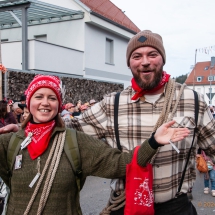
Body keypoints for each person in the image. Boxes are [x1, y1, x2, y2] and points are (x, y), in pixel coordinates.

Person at [64, 30, 215, 215]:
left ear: (162, 59)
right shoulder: (113, 104)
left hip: (176, 208)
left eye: (152, 54)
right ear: (129, 63)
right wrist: (25, 128)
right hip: (126, 205)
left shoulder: (193, 100)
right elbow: (70, 132)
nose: (145, 62)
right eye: (137, 56)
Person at [0, 75, 189, 215]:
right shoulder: (10, 142)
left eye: (52, 98)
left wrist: (154, 141)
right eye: (38, 96)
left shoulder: (74, 141)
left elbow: (120, 163)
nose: (45, 103)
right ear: (28, 102)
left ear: (59, 104)